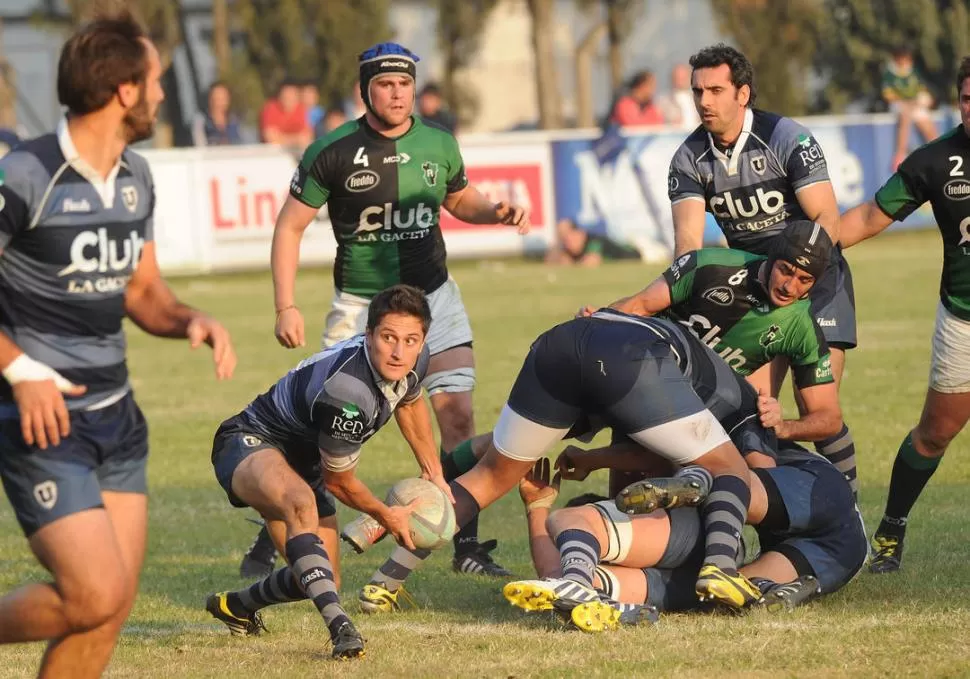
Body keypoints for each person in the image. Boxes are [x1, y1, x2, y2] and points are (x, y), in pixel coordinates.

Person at [0, 15, 236, 678]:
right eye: (155, 79)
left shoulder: (137, 177)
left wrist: (190, 317)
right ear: (125, 91)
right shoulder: (25, 174)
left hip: (118, 420)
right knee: (92, 590)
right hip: (45, 423)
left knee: (111, 607)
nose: (162, 93)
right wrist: (20, 369)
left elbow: (143, 292)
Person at [269, 41, 530, 580]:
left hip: (434, 297)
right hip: (363, 308)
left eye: (405, 83)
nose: (397, 93)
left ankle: (468, 546)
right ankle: (276, 530)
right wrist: (285, 305)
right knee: (330, 433)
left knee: (457, 417)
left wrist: (494, 212)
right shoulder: (332, 151)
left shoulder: (439, 142)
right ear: (366, 90)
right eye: (385, 84)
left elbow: (460, 200)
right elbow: (289, 227)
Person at [357, 310, 774, 613]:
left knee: (487, 479)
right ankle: (721, 568)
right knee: (731, 472)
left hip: (556, 345)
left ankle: (384, 584)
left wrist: (594, 458)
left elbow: (482, 448)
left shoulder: (668, 344)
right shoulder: (740, 405)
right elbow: (667, 448)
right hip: (627, 360)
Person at [206, 284, 447, 659]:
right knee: (300, 501)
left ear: (423, 339)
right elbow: (340, 482)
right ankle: (342, 630)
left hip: (306, 458)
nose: (399, 352)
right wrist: (386, 515)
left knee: (320, 581)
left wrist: (433, 472)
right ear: (368, 336)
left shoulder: (417, 358)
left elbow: (410, 401)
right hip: (250, 441)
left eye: (410, 340)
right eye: (388, 338)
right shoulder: (348, 394)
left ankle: (235, 606)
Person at [667, 43, 859, 499]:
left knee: (816, 408)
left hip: (816, 279)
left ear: (743, 93)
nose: (704, 102)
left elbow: (827, 219)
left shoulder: (787, 137)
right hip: (753, 290)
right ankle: (776, 512)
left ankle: (849, 514)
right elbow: (688, 246)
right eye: (698, 91)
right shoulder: (688, 157)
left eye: (716, 90)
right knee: (755, 412)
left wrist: (801, 281)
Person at [505, 436, 866, 631]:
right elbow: (556, 585)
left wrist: (538, 509)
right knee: (575, 526)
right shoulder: (694, 418)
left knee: (568, 526)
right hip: (841, 547)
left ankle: (701, 484)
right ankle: (764, 588)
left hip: (799, 494)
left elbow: (553, 576)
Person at [838, 55, 970, 574]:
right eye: (966, 98)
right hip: (963, 319)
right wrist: (813, 247)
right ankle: (892, 525)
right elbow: (873, 214)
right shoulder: (935, 161)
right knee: (935, 433)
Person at [590, 220, 842, 453]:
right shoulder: (710, 265)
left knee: (759, 462)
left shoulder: (803, 326)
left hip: (705, 414)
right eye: (785, 270)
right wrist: (595, 323)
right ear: (773, 258)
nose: (790, 286)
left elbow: (829, 418)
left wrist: (783, 426)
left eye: (804, 280)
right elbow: (638, 306)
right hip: (646, 380)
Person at [882, 47, 937, 171]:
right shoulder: (890, 74)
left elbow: (922, 89)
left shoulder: (913, 71)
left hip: (915, 104)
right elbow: (888, 95)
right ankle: (900, 155)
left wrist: (923, 100)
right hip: (900, 105)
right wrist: (907, 102)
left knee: (926, 122)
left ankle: (937, 151)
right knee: (905, 116)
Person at [545, 217, 641, 266]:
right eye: (562, 237)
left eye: (567, 236)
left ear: (579, 233)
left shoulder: (594, 241)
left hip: (639, 253)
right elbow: (549, 262)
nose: (566, 241)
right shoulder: (568, 247)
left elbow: (591, 262)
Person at [259, 78, 312, 149]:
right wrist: (296, 139)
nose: (289, 97)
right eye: (286, 95)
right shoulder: (271, 108)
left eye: (292, 95)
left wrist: (281, 138)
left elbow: (306, 137)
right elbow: (270, 138)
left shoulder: (301, 109)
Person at [191, 81, 243, 147]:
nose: (219, 102)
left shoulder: (236, 121)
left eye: (223, 98)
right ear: (210, 99)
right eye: (216, 98)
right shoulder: (200, 121)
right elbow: (200, 147)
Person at [657, 63, 700, 129]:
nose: (680, 81)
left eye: (683, 77)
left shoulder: (698, 97)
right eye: (677, 77)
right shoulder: (663, 101)